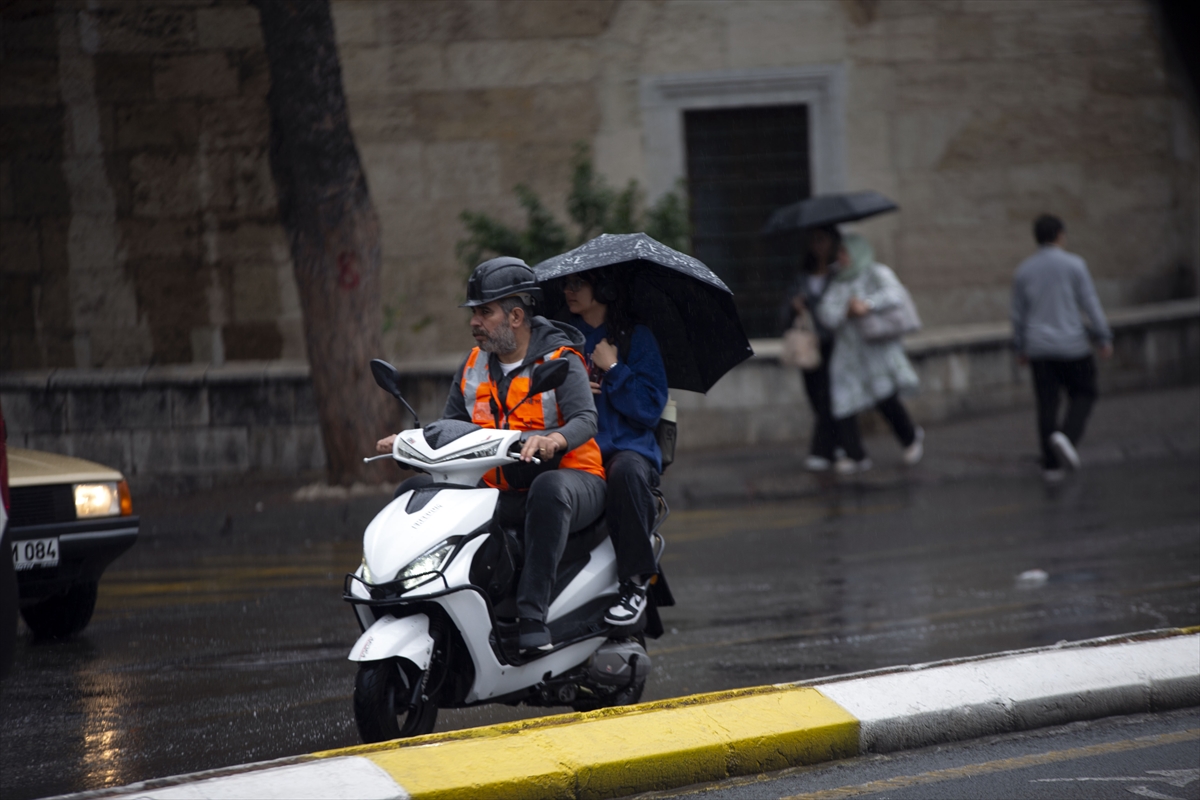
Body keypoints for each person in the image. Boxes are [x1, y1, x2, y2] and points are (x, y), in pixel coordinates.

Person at [376, 257, 606, 654]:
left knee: (549, 489)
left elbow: (586, 418)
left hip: (572, 479)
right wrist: (411, 442)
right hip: (500, 486)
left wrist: (554, 440)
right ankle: (410, 597)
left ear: (516, 316)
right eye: (474, 313)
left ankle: (532, 616)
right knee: (415, 491)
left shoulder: (560, 359)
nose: (474, 322)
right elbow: (450, 426)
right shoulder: (472, 365)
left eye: (485, 312)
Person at [558, 269, 669, 626]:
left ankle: (635, 583)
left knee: (625, 471)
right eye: (567, 284)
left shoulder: (637, 338)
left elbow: (650, 409)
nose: (568, 291)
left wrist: (615, 369)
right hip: (575, 451)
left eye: (578, 284)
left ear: (603, 289)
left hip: (626, 451)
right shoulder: (563, 342)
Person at [1011, 214, 1112, 482]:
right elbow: (1090, 302)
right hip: (1072, 344)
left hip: (1038, 347)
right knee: (1085, 392)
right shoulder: (1075, 265)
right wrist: (1103, 336)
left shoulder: (1024, 271)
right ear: (1059, 235)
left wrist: (1020, 346)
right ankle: (1066, 437)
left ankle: (1050, 464)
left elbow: (1018, 314)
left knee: (1047, 403)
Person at [817, 233, 923, 474]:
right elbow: (825, 313)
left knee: (885, 397)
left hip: (875, 349)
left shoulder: (876, 272)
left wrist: (867, 303)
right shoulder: (838, 281)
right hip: (848, 353)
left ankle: (909, 438)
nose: (841, 258)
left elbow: (895, 295)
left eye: (845, 252)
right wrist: (846, 311)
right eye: (840, 253)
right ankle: (855, 455)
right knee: (843, 401)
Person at [782, 225, 841, 472]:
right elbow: (784, 311)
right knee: (816, 396)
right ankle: (837, 443)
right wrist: (795, 306)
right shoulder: (802, 276)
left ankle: (821, 450)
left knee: (829, 397)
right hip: (809, 346)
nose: (819, 246)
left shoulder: (838, 275)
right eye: (815, 241)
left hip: (833, 344)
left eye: (823, 240)